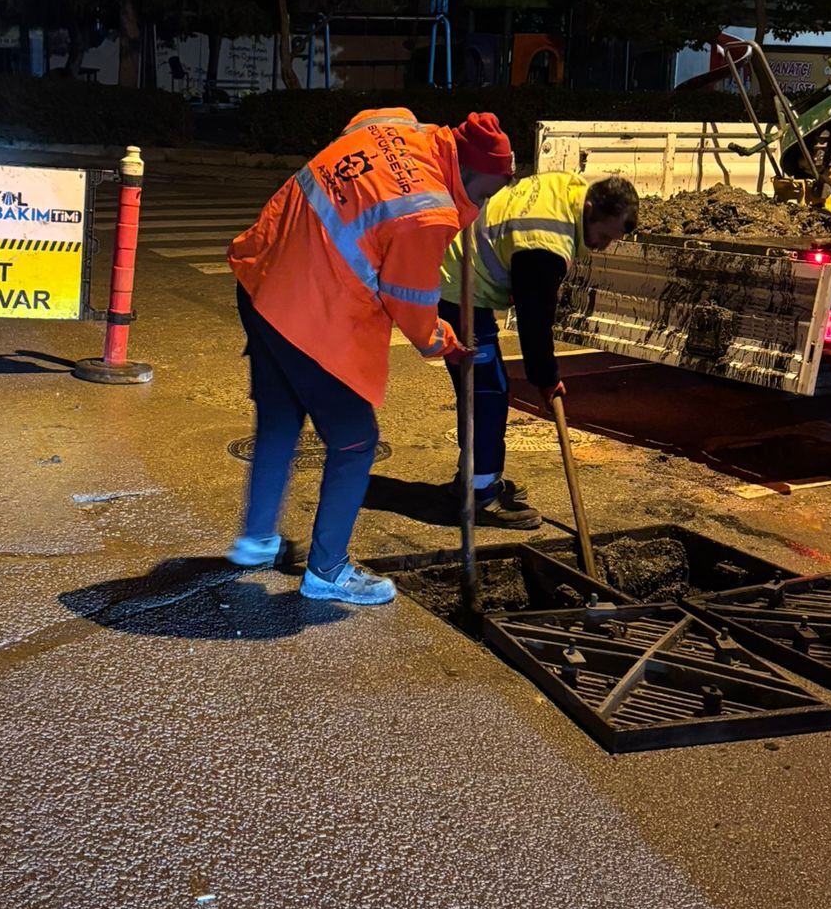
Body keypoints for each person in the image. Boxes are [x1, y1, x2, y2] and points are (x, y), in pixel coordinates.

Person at [227, 107, 516, 605]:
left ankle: (256, 539)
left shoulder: (394, 123)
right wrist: (444, 342)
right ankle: (328, 571)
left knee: (279, 419)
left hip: (263, 275)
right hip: (308, 312)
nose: (484, 203)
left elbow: (355, 140)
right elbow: (410, 302)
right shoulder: (428, 212)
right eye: (485, 192)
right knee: (355, 441)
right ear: (469, 175)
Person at [438, 171, 639, 529]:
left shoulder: (571, 189)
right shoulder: (545, 242)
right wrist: (546, 380)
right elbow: (534, 322)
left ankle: (473, 477)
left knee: (483, 389)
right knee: (487, 392)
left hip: (462, 265)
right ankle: (481, 496)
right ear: (590, 208)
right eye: (604, 236)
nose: (604, 246)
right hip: (459, 288)